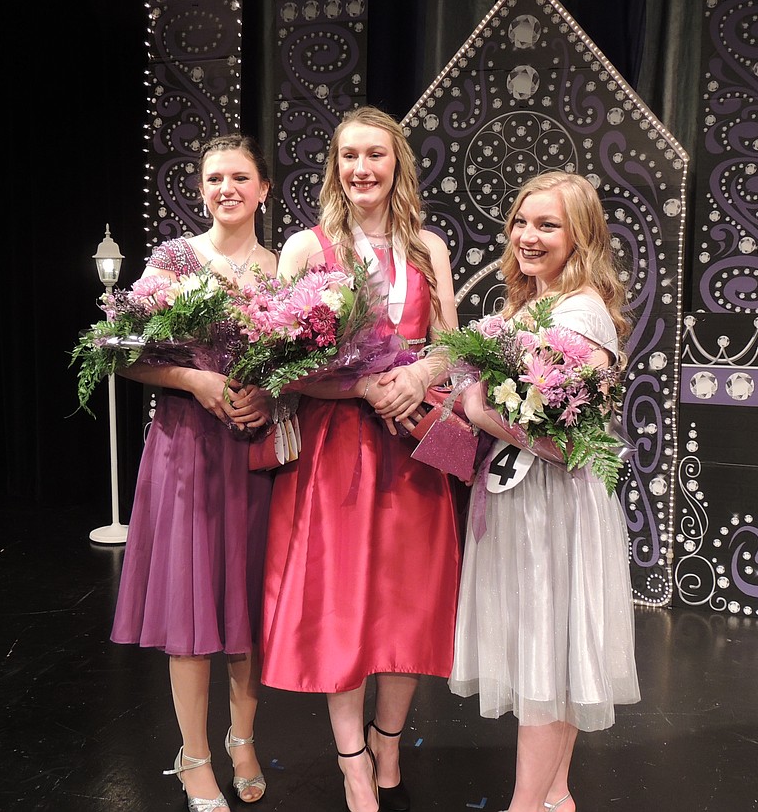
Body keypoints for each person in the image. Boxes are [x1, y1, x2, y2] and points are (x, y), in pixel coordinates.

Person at [259, 106, 460, 812]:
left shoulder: (429, 247)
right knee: (343, 606)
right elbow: (277, 367)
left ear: (397, 162)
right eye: (349, 156)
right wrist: (361, 384)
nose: (362, 169)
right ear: (334, 166)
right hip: (336, 452)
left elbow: (454, 348)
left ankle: (388, 738)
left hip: (413, 445)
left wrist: (414, 375)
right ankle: (351, 761)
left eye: (375, 154)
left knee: (408, 604)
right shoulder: (304, 249)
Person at [449, 171, 640, 812]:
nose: (527, 237)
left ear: (579, 234)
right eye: (521, 222)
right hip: (525, 503)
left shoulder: (580, 314)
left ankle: (524, 806)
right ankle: (554, 795)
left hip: (552, 507)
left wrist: (476, 409)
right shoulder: (531, 305)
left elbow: (565, 441)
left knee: (544, 662)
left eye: (547, 225)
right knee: (551, 659)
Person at [110, 134, 279, 812]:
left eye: (240, 176)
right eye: (215, 178)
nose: (227, 187)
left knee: (246, 606)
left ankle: (242, 739)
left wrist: (272, 390)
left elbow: (307, 363)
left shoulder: (285, 268)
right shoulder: (172, 261)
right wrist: (191, 379)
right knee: (191, 609)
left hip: (255, 451)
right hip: (185, 446)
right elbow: (121, 353)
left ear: (264, 189)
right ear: (201, 189)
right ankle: (194, 756)